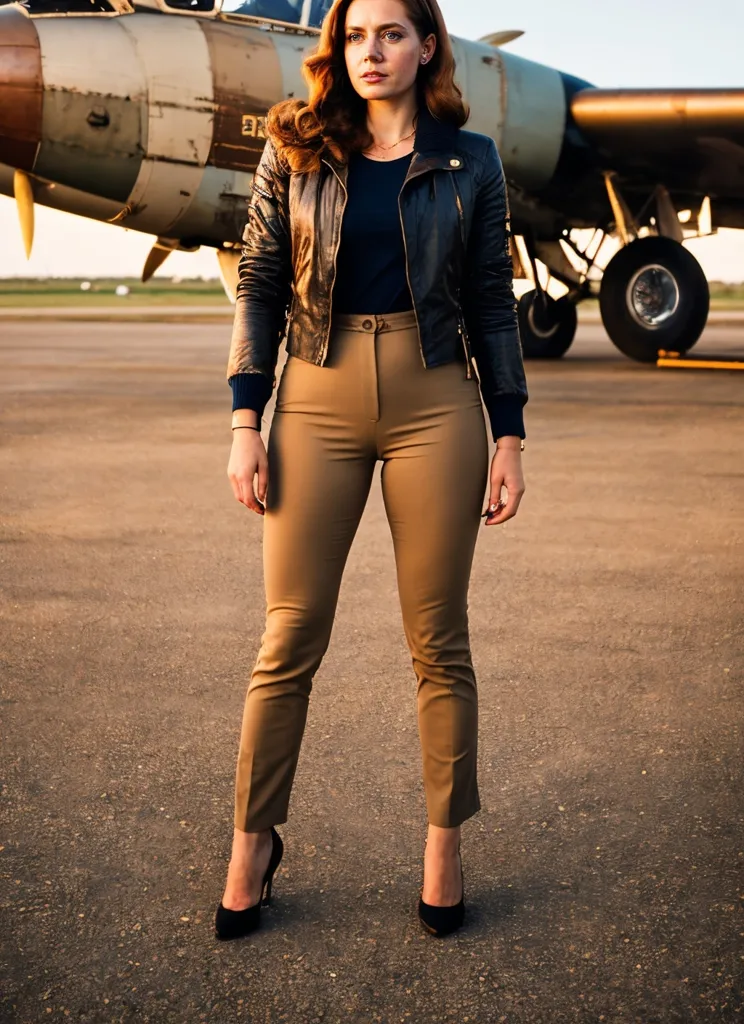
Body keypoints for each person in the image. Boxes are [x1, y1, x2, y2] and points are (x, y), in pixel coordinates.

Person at [215, 0, 528, 941]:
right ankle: (251, 843)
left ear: (427, 45)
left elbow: (490, 300)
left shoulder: (472, 162)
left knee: (439, 640)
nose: (372, 52)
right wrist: (245, 418)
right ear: (337, 49)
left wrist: (508, 433)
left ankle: (443, 845)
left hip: (439, 400)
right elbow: (262, 281)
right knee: (288, 639)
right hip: (315, 393)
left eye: (392, 33)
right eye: (355, 35)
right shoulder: (296, 151)